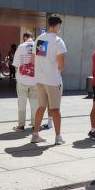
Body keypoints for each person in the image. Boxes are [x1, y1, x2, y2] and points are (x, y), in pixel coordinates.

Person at [31, 14, 67, 145]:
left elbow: (33, 60)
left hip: (40, 79)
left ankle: (35, 134)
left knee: (41, 107)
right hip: (53, 80)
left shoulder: (40, 39)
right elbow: (62, 64)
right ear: (57, 25)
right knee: (55, 109)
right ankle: (58, 137)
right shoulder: (58, 41)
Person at [12, 32, 37, 131]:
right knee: (35, 103)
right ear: (33, 38)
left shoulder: (21, 46)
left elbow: (16, 65)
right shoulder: (38, 46)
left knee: (22, 102)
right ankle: (35, 125)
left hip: (22, 79)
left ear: (25, 38)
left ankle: (21, 125)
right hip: (35, 80)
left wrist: (17, 76)